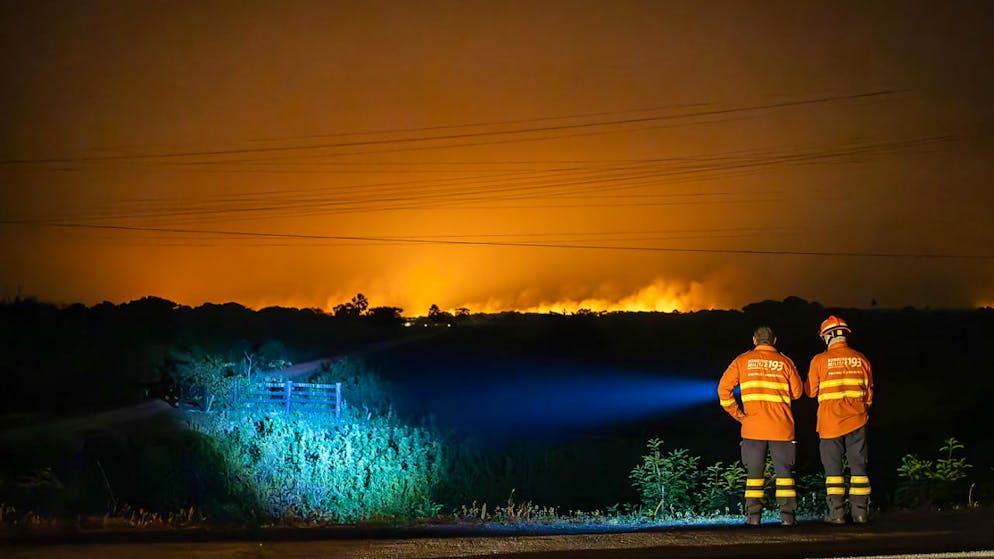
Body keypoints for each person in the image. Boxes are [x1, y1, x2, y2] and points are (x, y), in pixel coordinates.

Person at [718, 325, 803, 526]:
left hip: (753, 428)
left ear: (754, 340)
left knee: (754, 474)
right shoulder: (785, 362)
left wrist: (739, 415)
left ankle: (753, 518)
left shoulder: (742, 361)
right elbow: (798, 393)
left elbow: (723, 391)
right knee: (784, 475)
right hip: (782, 428)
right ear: (774, 340)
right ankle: (788, 518)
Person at [805, 315, 874, 524]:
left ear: (827, 336)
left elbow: (809, 391)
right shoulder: (861, 359)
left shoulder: (819, 360)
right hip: (857, 420)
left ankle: (837, 514)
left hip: (830, 423)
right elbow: (869, 393)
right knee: (859, 469)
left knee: (833, 471)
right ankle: (860, 512)